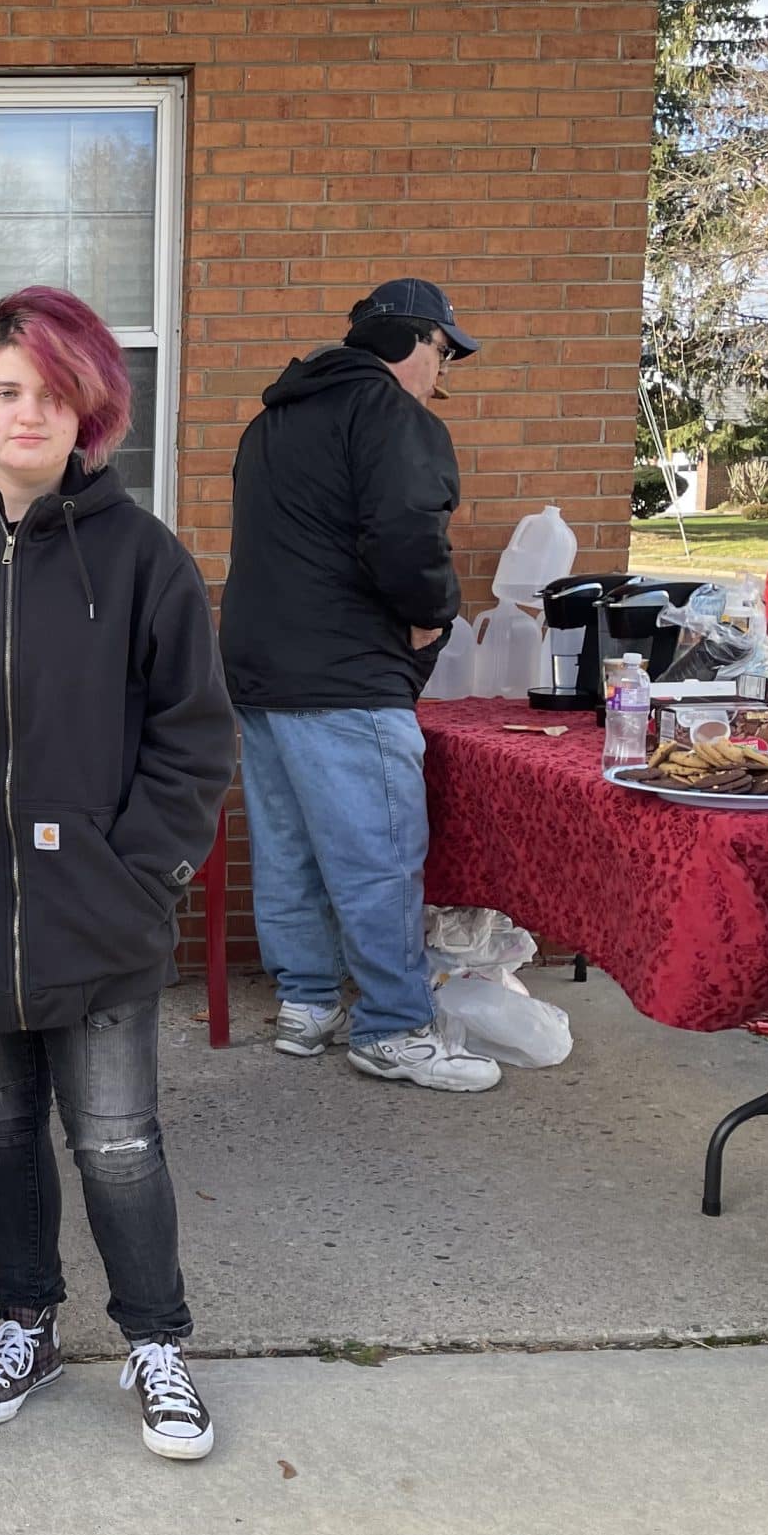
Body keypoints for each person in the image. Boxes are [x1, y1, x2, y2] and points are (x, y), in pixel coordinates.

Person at [0, 285, 233, 1460]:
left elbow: (192, 734)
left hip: (100, 915)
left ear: (91, 412)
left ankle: (155, 1340)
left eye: (54, 394)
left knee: (117, 1140)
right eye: (7, 390)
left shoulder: (142, 559)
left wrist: (143, 871)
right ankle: (25, 1321)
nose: (29, 413)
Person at [221, 278, 502, 1093]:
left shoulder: (272, 421)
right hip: (345, 674)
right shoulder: (390, 414)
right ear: (413, 341)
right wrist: (431, 616)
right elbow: (408, 534)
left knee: (291, 852)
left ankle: (307, 1006)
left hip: (261, 671)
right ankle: (395, 1029)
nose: (441, 375)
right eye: (443, 353)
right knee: (378, 859)